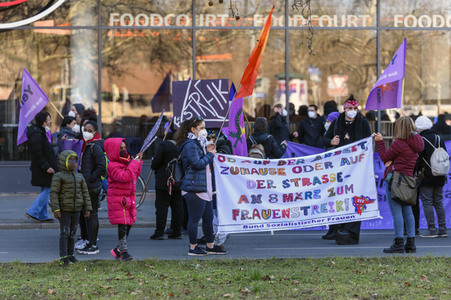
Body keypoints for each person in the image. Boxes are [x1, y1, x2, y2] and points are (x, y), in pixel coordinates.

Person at [322, 94, 371, 245]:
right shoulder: (336, 123)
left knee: (356, 198)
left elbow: (368, 143)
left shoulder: (363, 123)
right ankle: (340, 229)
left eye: (355, 108)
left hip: (357, 168)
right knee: (341, 198)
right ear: (344, 109)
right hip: (339, 169)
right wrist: (331, 141)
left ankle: (352, 232)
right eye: (350, 108)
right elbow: (323, 139)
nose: (352, 111)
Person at [174, 116, 227, 256]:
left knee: (208, 218)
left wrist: (208, 150)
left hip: (204, 187)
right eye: (201, 128)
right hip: (194, 188)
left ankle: (210, 245)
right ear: (193, 129)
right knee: (194, 219)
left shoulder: (200, 143)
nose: (205, 131)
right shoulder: (190, 145)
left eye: (205, 127)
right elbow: (197, 164)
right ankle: (193, 247)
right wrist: (210, 155)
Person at [375, 116, 424, 253]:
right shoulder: (418, 142)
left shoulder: (399, 143)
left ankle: (398, 243)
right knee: (408, 212)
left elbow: (385, 157)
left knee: (397, 213)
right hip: (408, 180)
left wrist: (379, 142)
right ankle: (411, 243)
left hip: (395, 180)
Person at [49, 150, 91, 266]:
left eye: (75, 160)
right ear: (64, 162)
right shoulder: (59, 176)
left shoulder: (79, 176)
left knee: (73, 233)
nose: (73, 163)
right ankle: (63, 256)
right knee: (64, 233)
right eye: (70, 160)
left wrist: (87, 208)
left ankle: (71, 255)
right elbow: (54, 194)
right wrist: (56, 209)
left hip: (76, 210)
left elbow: (85, 193)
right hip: (64, 210)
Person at [104, 138, 143, 261]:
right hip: (118, 199)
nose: (123, 150)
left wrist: (138, 162)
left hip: (128, 198)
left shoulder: (127, 161)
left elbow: (133, 176)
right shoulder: (113, 165)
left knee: (129, 223)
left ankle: (118, 249)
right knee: (123, 224)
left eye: (124, 147)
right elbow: (125, 177)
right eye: (120, 148)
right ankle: (123, 251)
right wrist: (134, 163)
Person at [415, 116, 448, 238]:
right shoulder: (439, 138)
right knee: (438, 202)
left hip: (426, 175)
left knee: (427, 202)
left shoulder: (420, 139)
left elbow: (418, 159)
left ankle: (432, 229)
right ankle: (443, 229)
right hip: (440, 174)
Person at [76, 121, 106, 255]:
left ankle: (93, 245)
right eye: (85, 129)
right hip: (85, 185)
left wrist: (90, 179)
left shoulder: (96, 146)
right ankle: (88, 240)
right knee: (85, 214)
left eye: (89, 130)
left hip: (92, 187)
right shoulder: (86, 145)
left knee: (92, 214)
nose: (86, 132)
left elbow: (101, 167)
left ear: (95, 132)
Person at [150, 123, 183, 240]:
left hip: (164, 181)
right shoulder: (181, 146)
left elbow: (155, 164)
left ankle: (159, 231)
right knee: (177, 207)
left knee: (161, 207)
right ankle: (177, 230)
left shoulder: (164, 146)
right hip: (178, 180)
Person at [25, 111, 58, 223]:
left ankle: (42, 215)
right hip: (43, 168)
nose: (50, 122)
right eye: (48, 119)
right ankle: (33, 211)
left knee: (46, 189)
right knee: (48, 190)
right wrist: (46, 166)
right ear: (43, 122)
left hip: (44, 167)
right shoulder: (37, 134)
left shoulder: (40, 132)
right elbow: (37, 153)